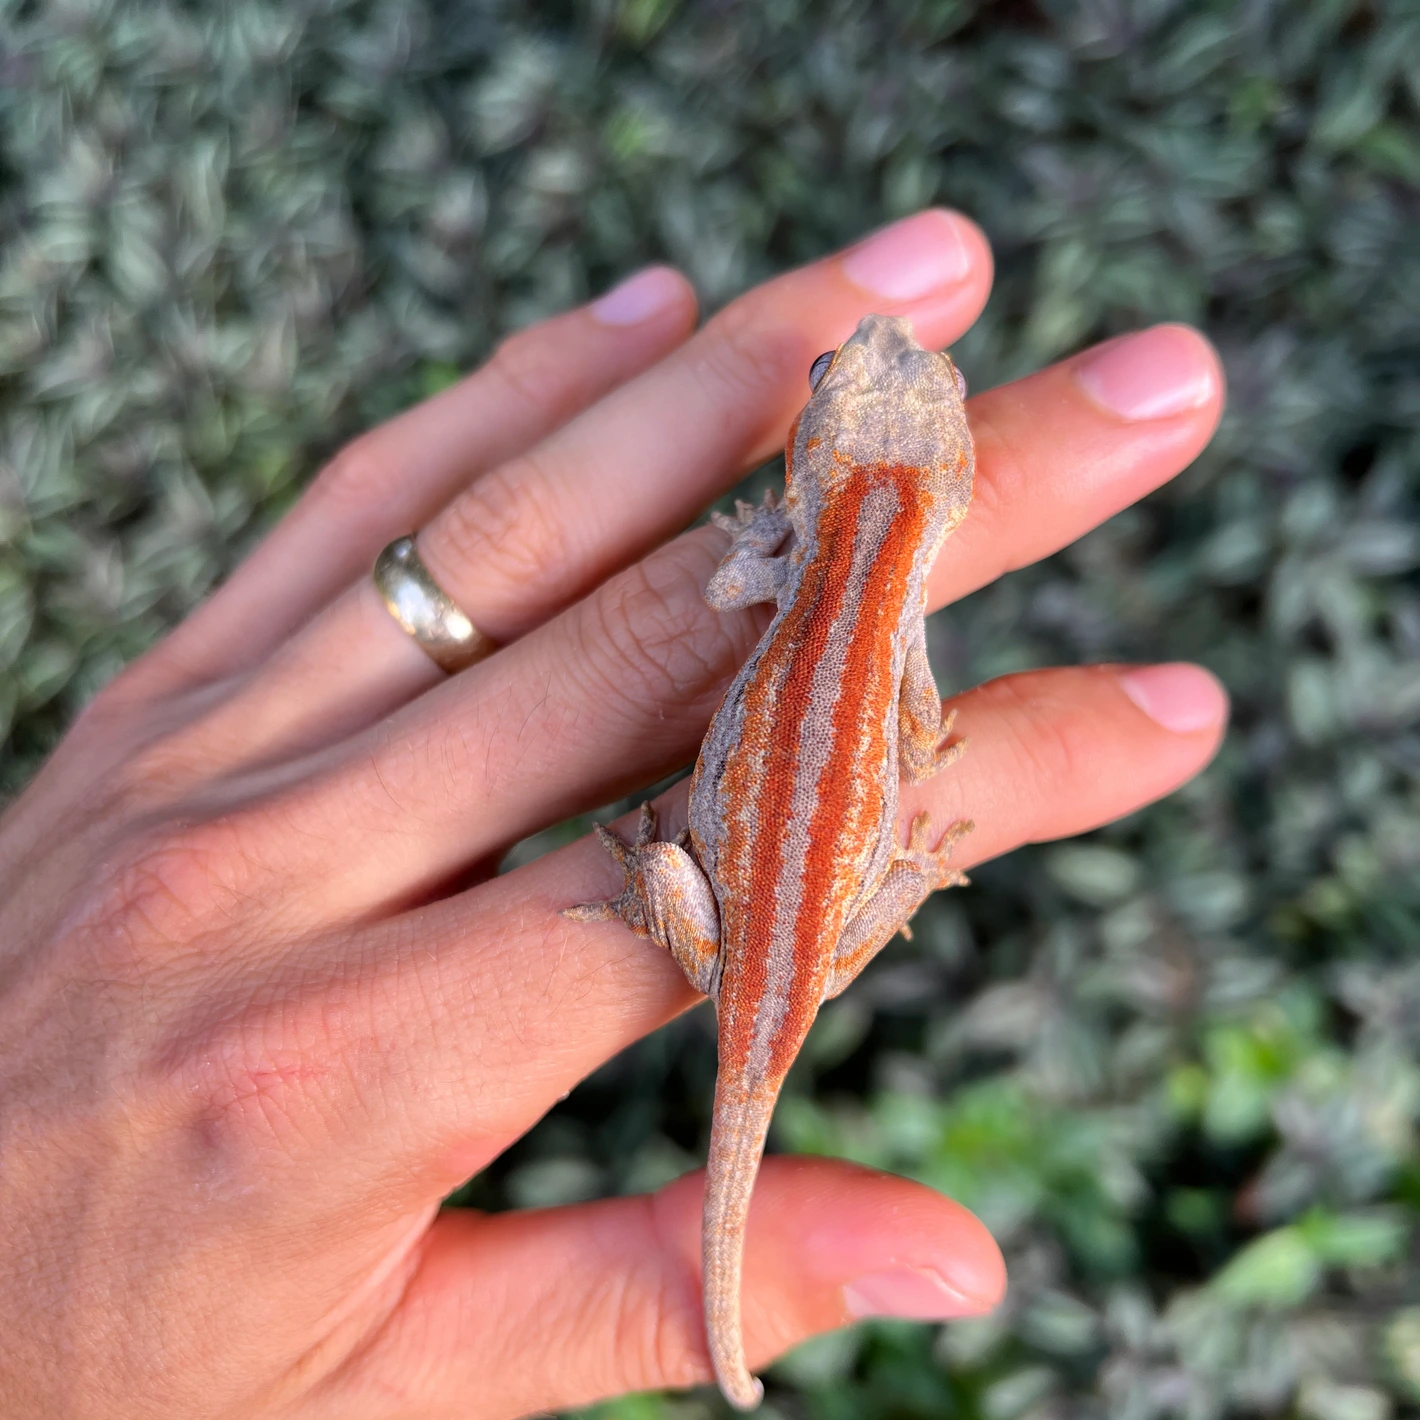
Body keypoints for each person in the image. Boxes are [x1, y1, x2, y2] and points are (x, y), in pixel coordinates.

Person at [0, 209, 1227, 1418]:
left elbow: (738, 576)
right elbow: (915, 734)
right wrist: (899, 867)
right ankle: (854, 885)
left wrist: (755, 564)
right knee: (774, 902)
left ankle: (726, 884)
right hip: (810, 927)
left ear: (813, 463)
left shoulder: (793, 554)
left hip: (748, 919)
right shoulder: (897, 615)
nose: (869, 349)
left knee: (697, 897)